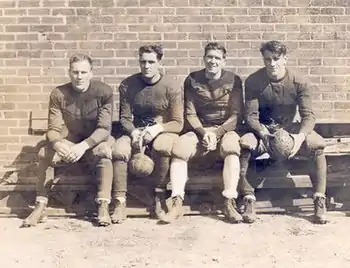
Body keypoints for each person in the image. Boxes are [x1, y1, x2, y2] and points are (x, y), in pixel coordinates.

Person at [239, 40, 327, 224]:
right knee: (246, 145)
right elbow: (251, 115)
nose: (272, 64)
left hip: (289, 129)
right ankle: (248, 199)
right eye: (267, 59)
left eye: (276, 59)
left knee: (317, 145)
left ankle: (320, 198)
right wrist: (262, 132)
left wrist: (299, 137)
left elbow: (308, 116)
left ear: (285, 59)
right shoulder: (254, 80)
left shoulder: (299, 81)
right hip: (263, 130)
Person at [22, 53, 115, 227]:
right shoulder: (59, 93)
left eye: (83, 72)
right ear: (69, 72)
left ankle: (103, 205)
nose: (79, 77)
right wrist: (57, 143)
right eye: (75, 72)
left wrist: (83, 146)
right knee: (44, 153)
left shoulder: (104, 92)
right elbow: (54, 128)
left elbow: (104, 129)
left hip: (94, 142)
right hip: (71, 141)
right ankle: (40, 205)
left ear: (91, 73)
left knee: (104, 152)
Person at [159, 42, 244, 224]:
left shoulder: (234, 80)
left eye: (217, 58)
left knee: (231, 147)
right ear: (204, 58)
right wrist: (203, 132)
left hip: (224, 129)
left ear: (224, 61)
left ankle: (229, 201)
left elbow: (236, 115)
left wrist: (218, 132)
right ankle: (176, 201)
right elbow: (190, 112)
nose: (213, 61)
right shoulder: (192, 79)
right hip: (200, 129)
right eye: (209, 57)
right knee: (180, 148)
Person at [111, 44, 183, 222]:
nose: (147, 66)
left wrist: (157, 129)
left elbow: (178, 123)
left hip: (163, 129)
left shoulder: (171, 86)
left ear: (159, 62)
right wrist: (133, 131)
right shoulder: (128, 85)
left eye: (151, 62)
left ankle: (159, 196)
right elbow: (125, 118)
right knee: (119, 150)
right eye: (143, 62)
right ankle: (120, 202)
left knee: (162, 147)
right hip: (138, 130)